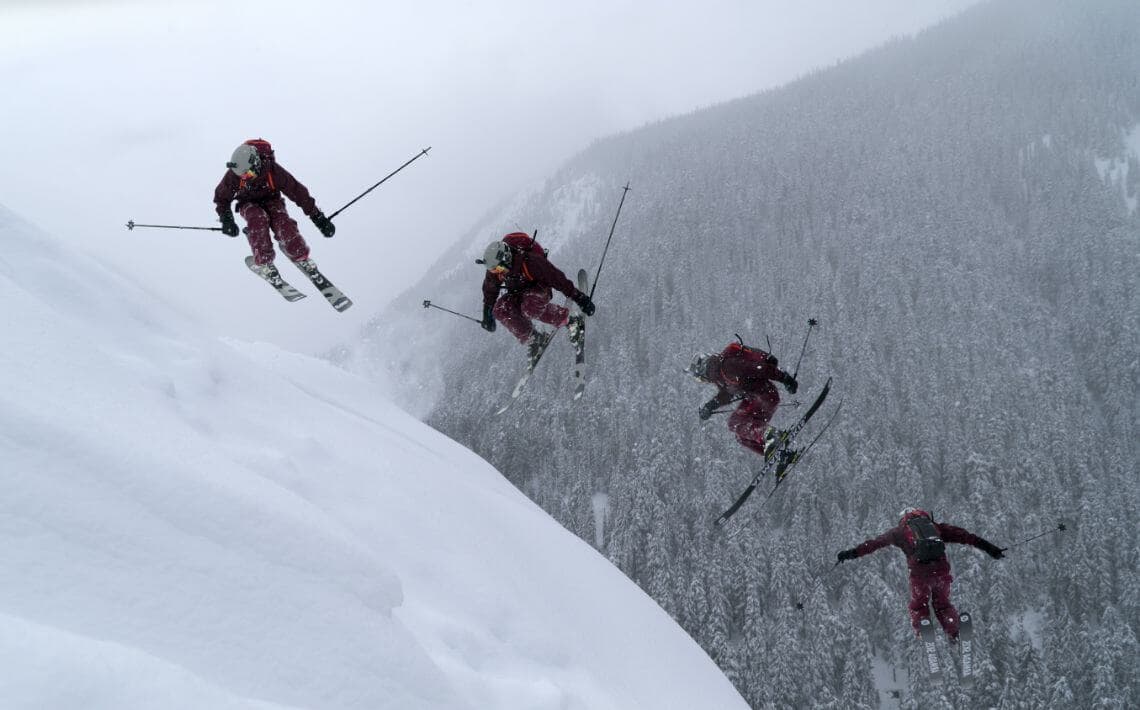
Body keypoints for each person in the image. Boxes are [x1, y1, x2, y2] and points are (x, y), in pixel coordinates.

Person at [836, 508, 1005, 641]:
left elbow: (872, 544)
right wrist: (991, 549)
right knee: (943, 605)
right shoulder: (937, 527)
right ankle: (955, 633)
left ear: (903, 519)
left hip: (920, 575)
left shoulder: (898, 532)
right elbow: (967, 537)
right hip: (941, 573)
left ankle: (923, 629)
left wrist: (850, 554)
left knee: (919, 605)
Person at [214, 138, 336, 279]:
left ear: (256, 164)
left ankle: (300, 253)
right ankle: (264, 261)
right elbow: (221, 197)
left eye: (247, 174)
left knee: (283, 223)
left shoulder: (273, 171)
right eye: (242, 175)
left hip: (272, 200)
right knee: (257, 219)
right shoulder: (236, 173)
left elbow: (298, 192)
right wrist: (226, 219)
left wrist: (318, 217)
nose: (244, 177)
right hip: (247, 203)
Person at [480, 232, 595, 363]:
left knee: (529, 308)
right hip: (517, 292)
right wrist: (487, 313)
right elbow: (490, 288)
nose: (498, 272)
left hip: (539, 289)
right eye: (494, 270)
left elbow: (557, 278)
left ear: (506, 258)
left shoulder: (531, 262)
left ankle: (571, 321)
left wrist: (579, 298)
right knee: (500, 309)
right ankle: (534, 339)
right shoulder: (497, 269)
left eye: (499, 269)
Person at [687, 340, 799, 460]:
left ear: (704, 372)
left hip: (764, 396)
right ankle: (780, 454)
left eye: (701, 379)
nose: (705, 381)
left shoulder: (727, 366)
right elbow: (727, 394)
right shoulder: (721, 375)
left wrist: (785, 378)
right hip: (758, 398)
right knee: (741, 437)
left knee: (735, 423)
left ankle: (772, 436)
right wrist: (710, 406)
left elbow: (758, 369)